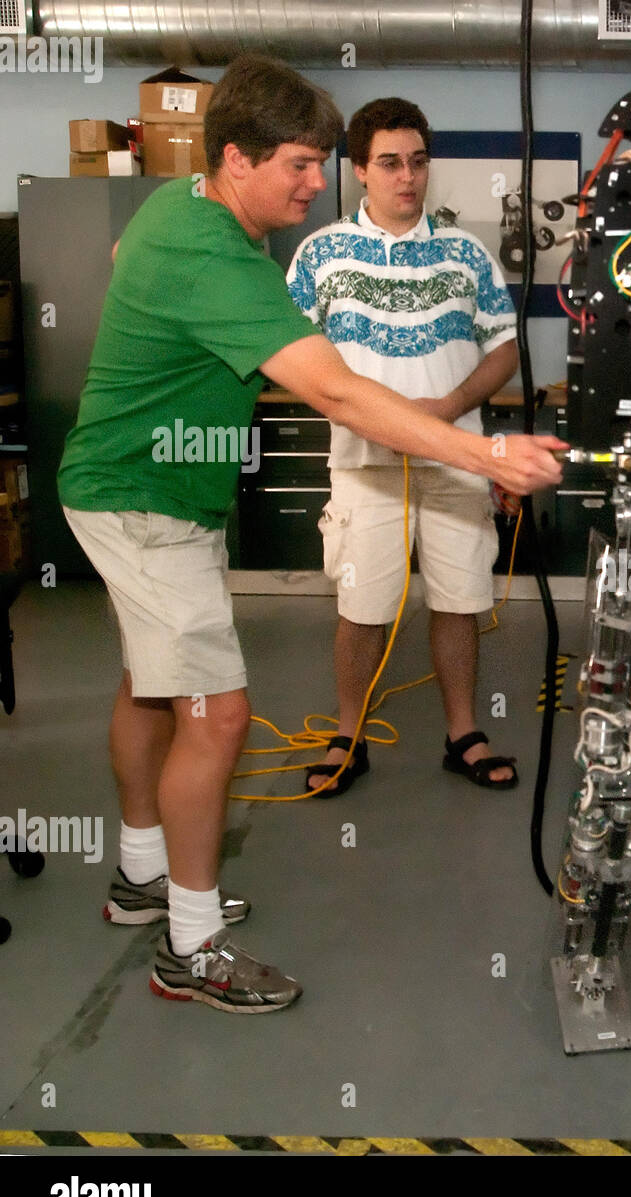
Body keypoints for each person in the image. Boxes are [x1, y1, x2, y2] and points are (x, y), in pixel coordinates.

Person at [57, 54, 566, 1013]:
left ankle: (140, 878)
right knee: (218, 715)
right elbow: (334, 389)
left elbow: (129, 263)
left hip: (138, 491)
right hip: (144, 505)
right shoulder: (216, 250)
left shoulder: (184, 212)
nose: (312, 182)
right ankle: (191, 949)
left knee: (150, 685)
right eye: (298, 164)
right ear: (236, 160)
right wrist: (491, 458)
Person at [287, 98, 519, 799]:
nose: (407, 177)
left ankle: (462, 734)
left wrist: (446, 410)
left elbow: (504, 348)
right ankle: (349, 734)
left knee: (460, 599)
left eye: (418, 161)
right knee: (363, 607)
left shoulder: (464, 252)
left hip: (456, 459)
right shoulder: (320, 254)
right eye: (389, 163)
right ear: (360, 169)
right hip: (365, 467)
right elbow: (286, 352)